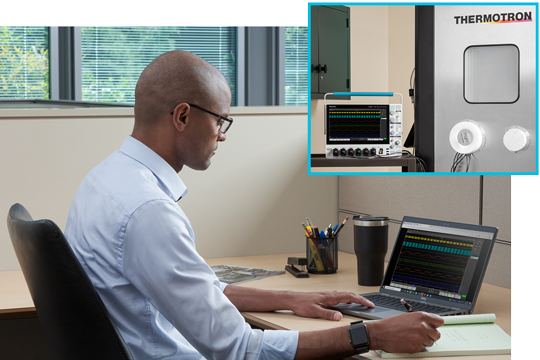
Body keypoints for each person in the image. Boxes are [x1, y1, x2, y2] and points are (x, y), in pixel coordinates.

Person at [65, 50, 444, 360]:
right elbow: (239, 350)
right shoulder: (148, 211)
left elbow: (199, 292)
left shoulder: (104, 179)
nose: (222, 136)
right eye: (220, 121)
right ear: (182, 116)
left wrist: (293, 300)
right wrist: (371, 334)